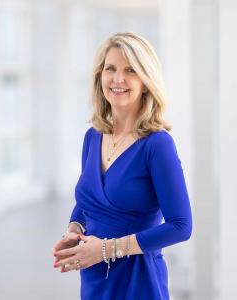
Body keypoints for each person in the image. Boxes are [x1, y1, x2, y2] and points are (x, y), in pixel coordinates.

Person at [51, 32, 192, 299]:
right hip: (95, 279)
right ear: (99, 77)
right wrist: (74, 231)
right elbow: (89, 200)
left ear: (146, 81)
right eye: (110, 69)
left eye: (130, 70)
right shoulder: (93, 137)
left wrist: (106, 249)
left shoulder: (157, 144)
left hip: (138, 281)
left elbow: (181, 225)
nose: (118, 79)